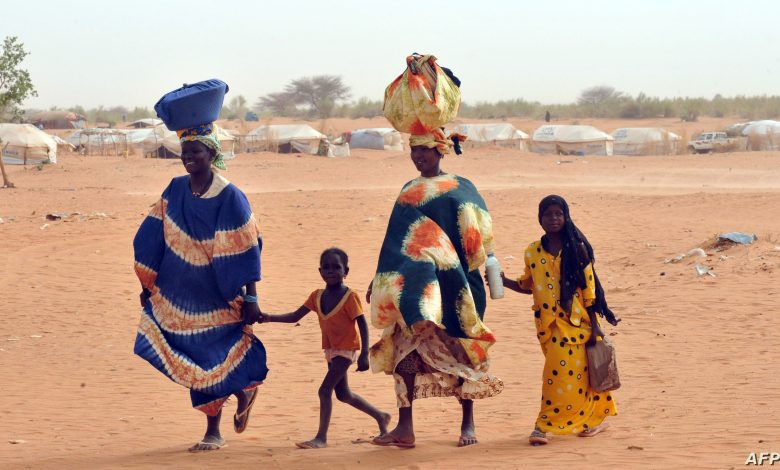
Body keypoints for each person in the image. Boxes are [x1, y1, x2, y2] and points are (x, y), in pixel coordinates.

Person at [133, 121, 268, 452]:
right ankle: (232, 405)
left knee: (215, 355)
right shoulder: (175, 190)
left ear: (212, 154)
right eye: (185, 152)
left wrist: (251, 297)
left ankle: (225, 415)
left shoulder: (231, 197)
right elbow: (152, 233)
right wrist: (148, 281)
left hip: (218, 294)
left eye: (196, 151)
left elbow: (246, 247)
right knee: (193, 357)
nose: (189, 157)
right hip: (179, 294)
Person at [367, 129, 503, 449]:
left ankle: (467, 423)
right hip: (415, 285)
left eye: (425, 149)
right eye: (414, 149)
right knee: (404, 353)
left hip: (458, 284)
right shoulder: (408, 190)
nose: (418, 156)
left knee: (461, 349)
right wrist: (381, 278)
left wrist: (478, 261)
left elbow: (479, 233)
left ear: (441, 150)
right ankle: (405, 427)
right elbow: (396, 241)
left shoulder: (461, 187)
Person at [498, 194, 619, 446]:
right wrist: (503, 281)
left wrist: (595, 326)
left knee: (556, 374)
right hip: (546, 325)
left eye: (558, 214)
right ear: (539, 218)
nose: (553, 219)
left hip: (575, 324)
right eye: (548, 214)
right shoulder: (532, 251)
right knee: (577, 374)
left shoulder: (577, 249)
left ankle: (543, 425)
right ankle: (595, 418)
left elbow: (589, 291)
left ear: (566, 217)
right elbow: (528, 285)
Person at [261, 248, 391, 449]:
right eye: (326, 267)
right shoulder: (317, 296)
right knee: (343, 394)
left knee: (324, 391)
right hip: (330, 351)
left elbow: (362, 325)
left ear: (345, 271)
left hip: (346, 350)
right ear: (320, 271)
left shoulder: (350, 297)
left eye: (336, 267)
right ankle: (381, 416)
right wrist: (268, 318)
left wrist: (365, 353)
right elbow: (295, 316)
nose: (331, 271)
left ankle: (321, 438)